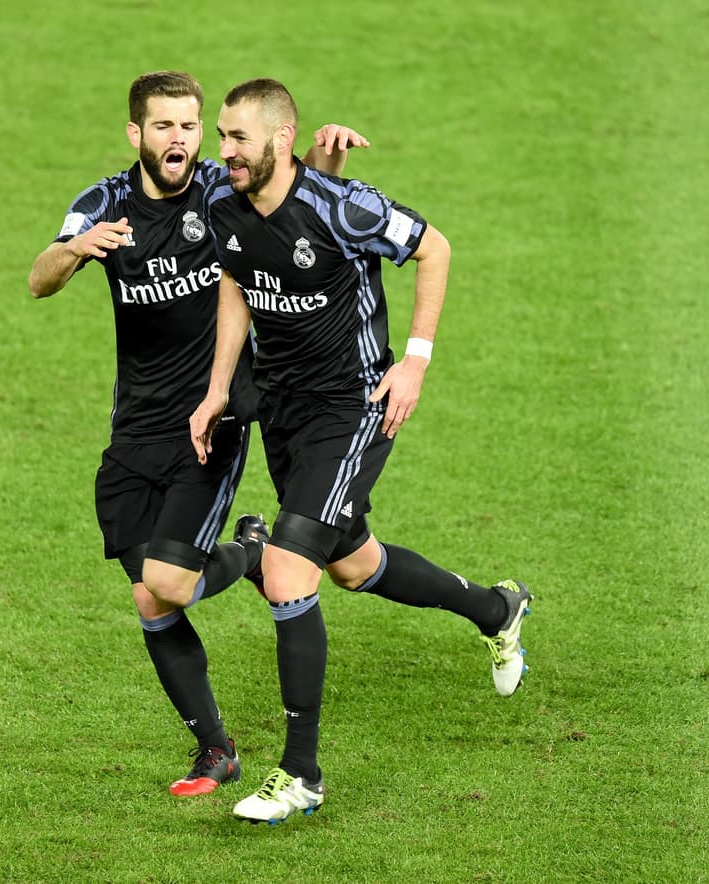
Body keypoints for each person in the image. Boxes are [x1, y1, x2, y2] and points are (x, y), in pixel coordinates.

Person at [189, 77, 533, 825]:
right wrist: (218, 388)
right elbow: (236, 285)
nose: (226, 152)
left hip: (354, 406)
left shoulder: (344, 206)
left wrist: (414, 359)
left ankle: (302, 774)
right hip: (281, 409)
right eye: (222, 137)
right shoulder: (223, 202)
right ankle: (496, 608)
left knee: (286, 566)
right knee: (352, 564)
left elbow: (433, 248)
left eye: (239, 139)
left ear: (280, 139)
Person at [27, 71, 367, 798]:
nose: (180, 139)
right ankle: (215, 749)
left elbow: (295, 213)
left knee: (168, 582)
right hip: (133, 433)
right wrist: (76, 248)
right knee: (151, 600)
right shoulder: (104, 204)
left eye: (189, 126)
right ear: (136, 135)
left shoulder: (222, 192)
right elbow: (38, 280)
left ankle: (247, 551)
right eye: (164, 126)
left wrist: (329, 166)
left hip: (209, 425)